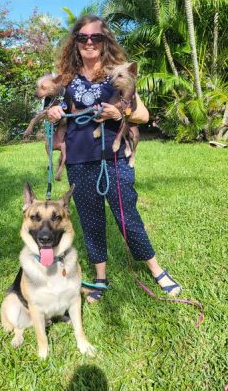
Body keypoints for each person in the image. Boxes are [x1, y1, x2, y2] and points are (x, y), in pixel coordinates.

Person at [47, 15, 182, 303]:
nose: (89, 42)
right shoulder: (67, 79)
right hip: (79, 159)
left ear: (105, 40)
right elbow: (59, 112)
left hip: (114, 158)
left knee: (127, 217)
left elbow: (143, 115)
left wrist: (120, 114)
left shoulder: (119, 73)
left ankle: (157, 271)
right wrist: (55, 113)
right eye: (83, 37)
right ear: (75, 42)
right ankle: (100, 277)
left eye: (95, 37)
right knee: (90, 220)